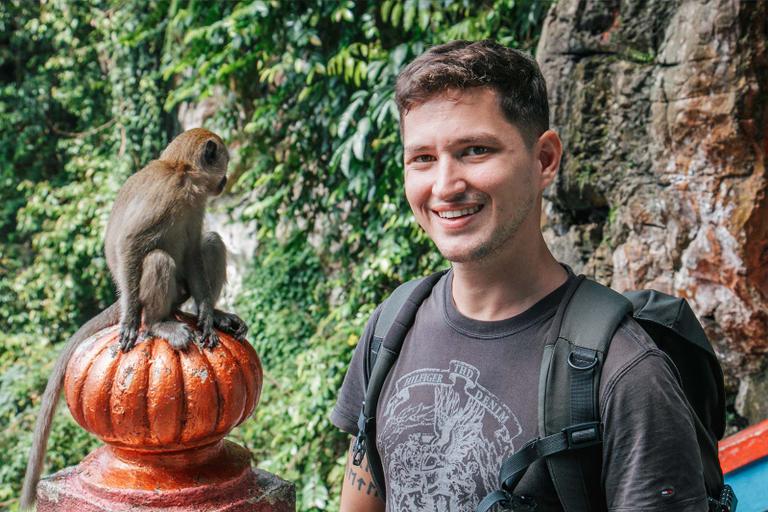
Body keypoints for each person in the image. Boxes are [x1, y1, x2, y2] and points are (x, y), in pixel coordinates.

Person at [330, 40, 709, 512]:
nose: (445, 186)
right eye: (423, 158)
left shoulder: (626, 374)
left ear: (545, 159)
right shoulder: (391, 328)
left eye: (475, 150)